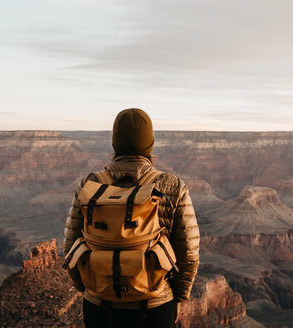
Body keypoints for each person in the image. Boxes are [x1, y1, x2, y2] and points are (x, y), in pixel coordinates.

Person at [63, 108, 200, 328]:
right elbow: (188, 253)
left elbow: (70, 246)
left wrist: (89, 288)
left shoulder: (90, 184)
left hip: (98, 306)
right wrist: (179, 297)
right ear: (150, 144)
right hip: (154, 307)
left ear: (115, 143)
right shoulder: (172, 186)